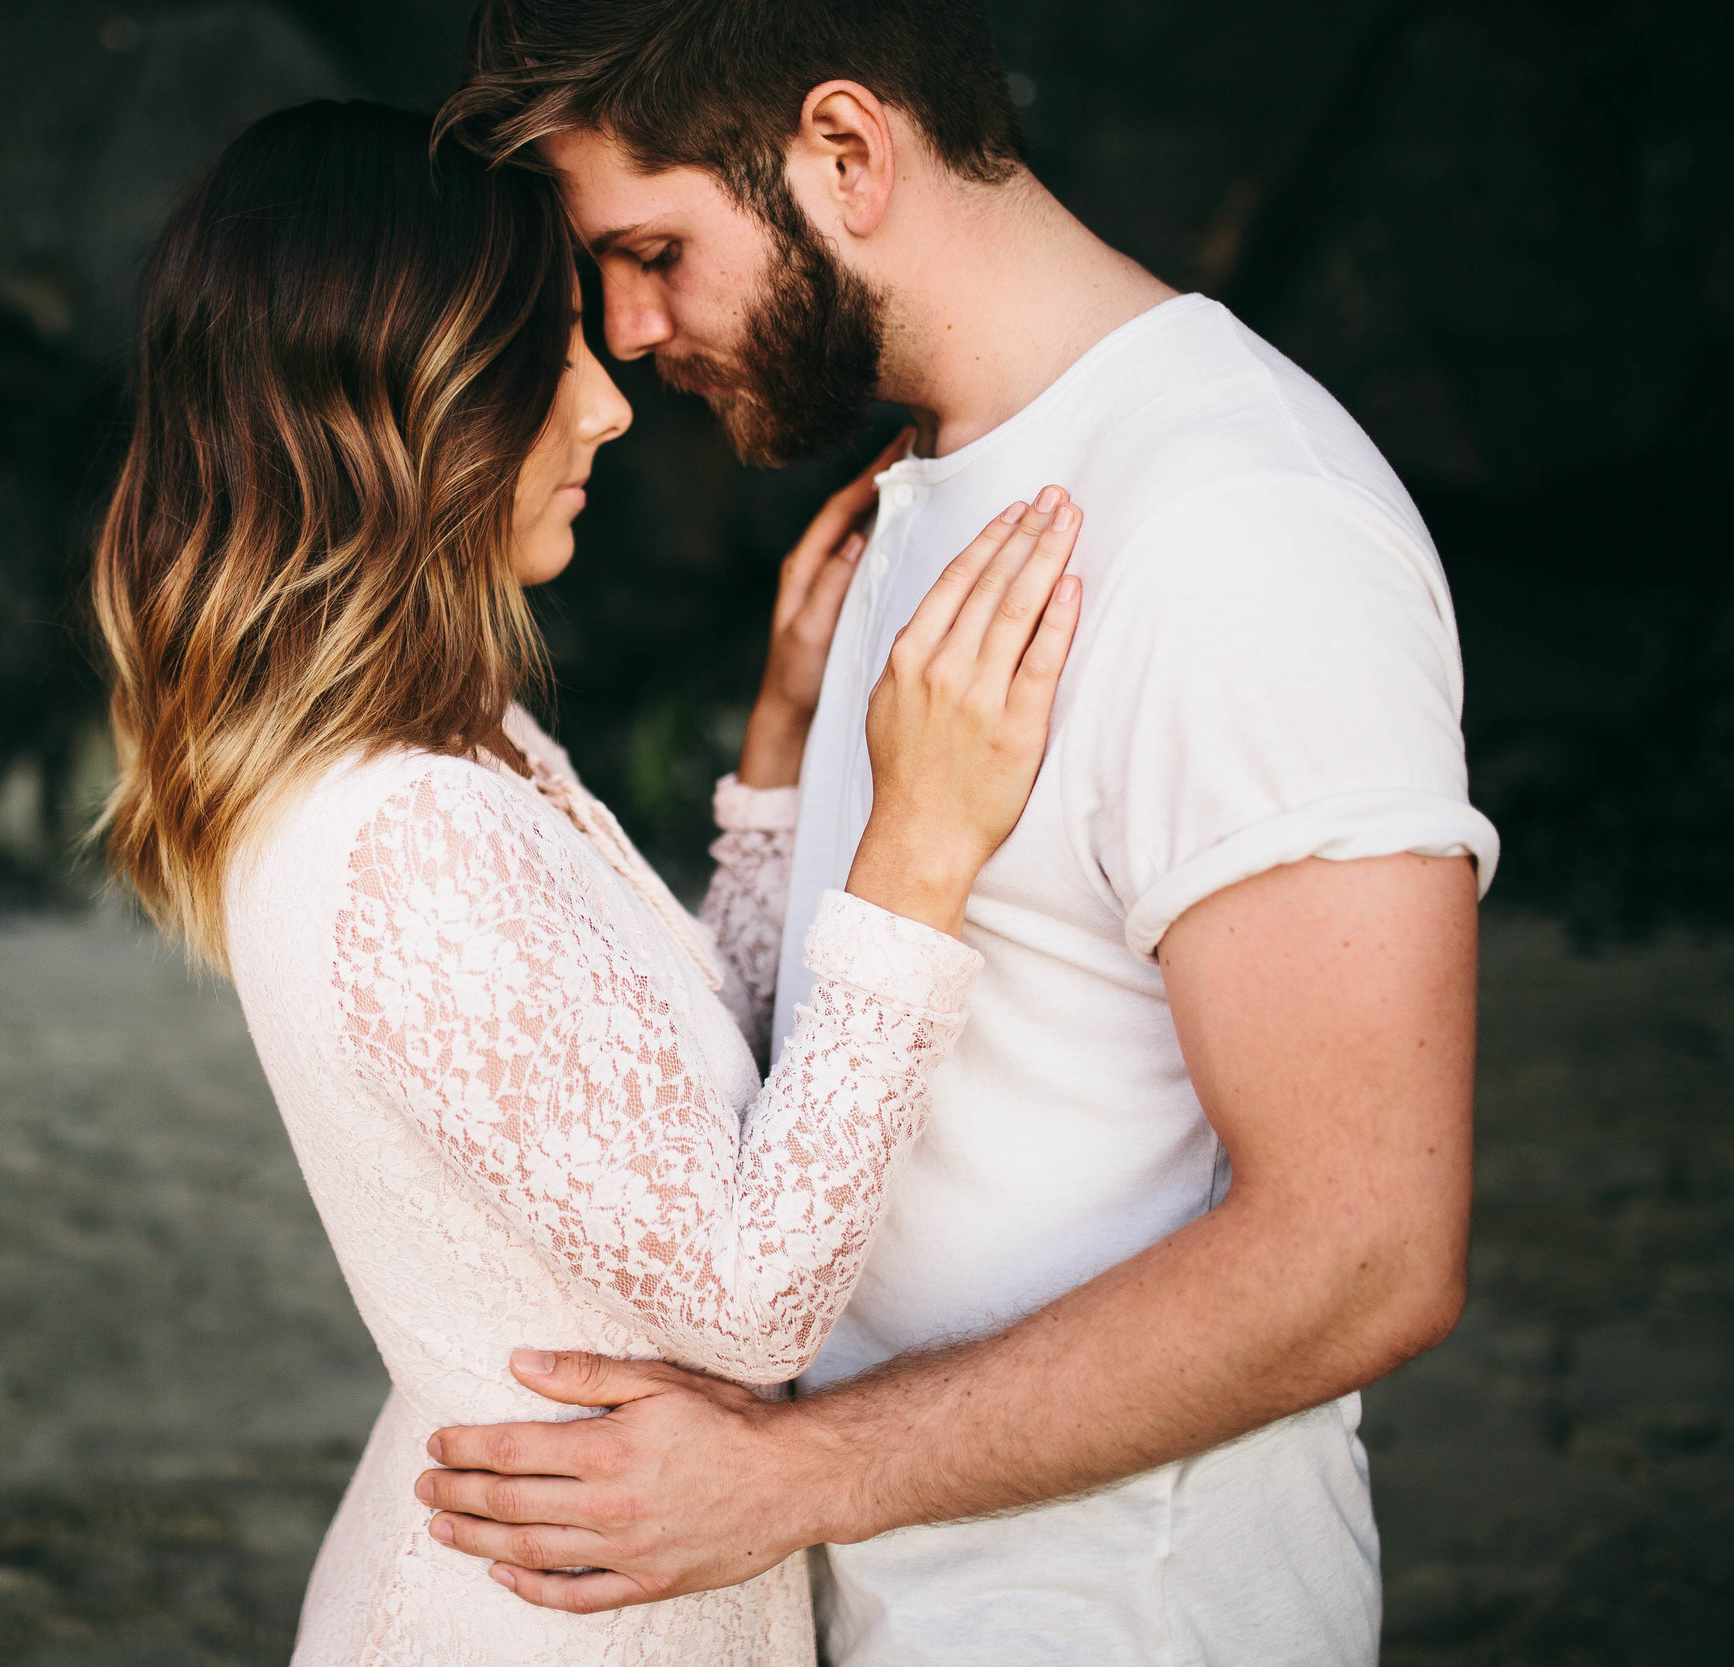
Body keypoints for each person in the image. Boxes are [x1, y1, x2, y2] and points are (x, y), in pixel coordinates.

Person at [417, 4, 1499, 1663]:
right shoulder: (941, 479)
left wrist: (790, 1475)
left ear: (845, 151)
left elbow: (1365, 1253)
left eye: (651, 250)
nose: (625, 333)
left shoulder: (1238, 529)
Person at [92, 100, 1085, 1662]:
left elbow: (689, 1115)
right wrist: (919, 850)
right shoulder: (404, 836)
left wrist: (776, 757)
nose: (610, 406)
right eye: (550, 350)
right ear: (400, 402)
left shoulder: (450, 749)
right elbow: (759, 1299)